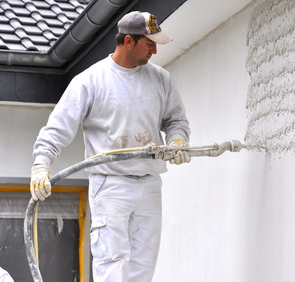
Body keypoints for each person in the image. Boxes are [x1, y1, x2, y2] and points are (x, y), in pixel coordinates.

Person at [30, 11, 191, 282]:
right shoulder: (90, 81)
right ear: (129, 41)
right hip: (111, 183)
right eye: (149, 43)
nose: (155, 49)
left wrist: (178, 140)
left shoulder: (161, 79)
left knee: (143, 267)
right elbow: (58, 128)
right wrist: (41, 164)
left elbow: (176, 120)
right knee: (111, 263)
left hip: (150, 181)